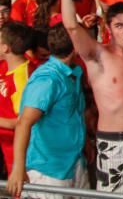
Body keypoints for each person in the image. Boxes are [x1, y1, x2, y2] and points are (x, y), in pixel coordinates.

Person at [61, 0, 123, 192]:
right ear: (108, 28)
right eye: (119, 26)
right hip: (113, 140)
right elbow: (71, 26)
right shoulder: (99, 54)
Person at [6, 25, 87, 198]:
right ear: (75, 45)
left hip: (75, 164)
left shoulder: (73, 72)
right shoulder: (47, 79)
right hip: (49, 171)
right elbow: (23, 123)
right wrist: (18, 169)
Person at [0, 22, 34, 175]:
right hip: (6, 147)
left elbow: (23, 120)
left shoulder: (21, 78)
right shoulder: (5, 66)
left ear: (5, 48)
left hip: (20, 151)